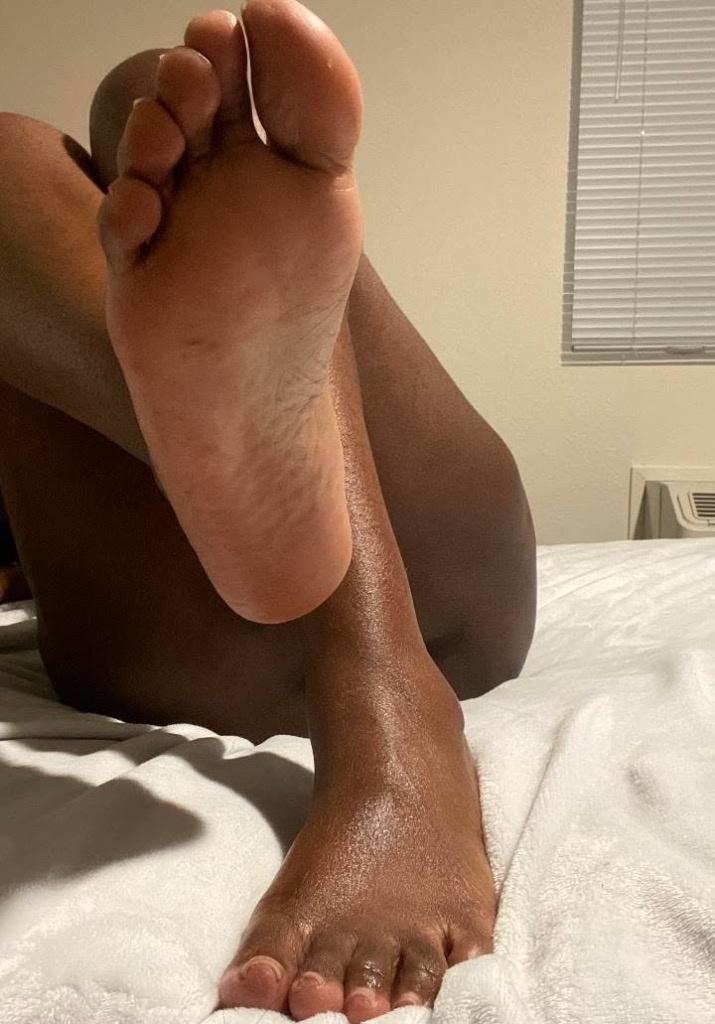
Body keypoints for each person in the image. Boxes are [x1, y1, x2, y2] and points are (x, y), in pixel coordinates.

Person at [0, 0, 536, 1020]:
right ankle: (375, 682)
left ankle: (362, 650)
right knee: (52, 132)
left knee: (156, 96)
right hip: (465, 591)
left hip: (199, 647)